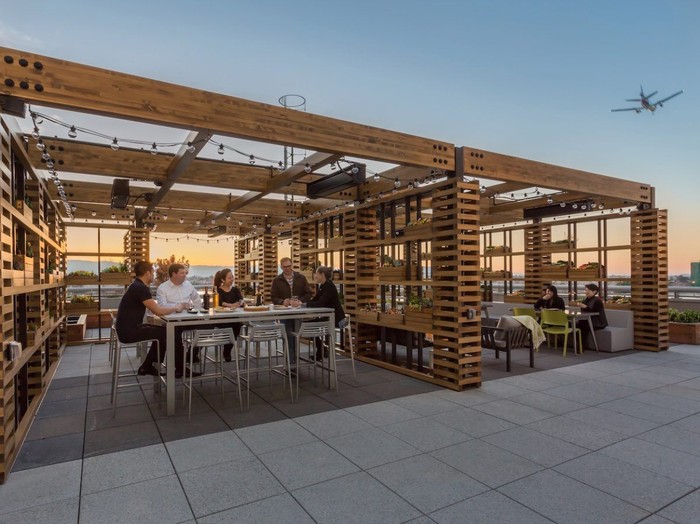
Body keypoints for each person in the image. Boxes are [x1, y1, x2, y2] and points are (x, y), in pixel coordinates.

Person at [115, 261, 187, 377]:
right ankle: (176, 368)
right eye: (152, 272)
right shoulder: (141, 288)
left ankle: (149, 366)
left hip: (125, 329)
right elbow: (158, 311)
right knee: (168, 333)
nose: (153, 275)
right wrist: (176, 308)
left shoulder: (136, 286)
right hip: (129, 332)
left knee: (165, 332)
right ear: (148, 273)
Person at [157, 263, 202, 374]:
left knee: (208, 325)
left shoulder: (188, 285)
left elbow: (197, 300)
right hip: (172, 321)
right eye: (182, 273)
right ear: (174, 274)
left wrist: (195, 309)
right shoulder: (162, 288)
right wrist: (178, 306)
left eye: (185, 272)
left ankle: (191, 354)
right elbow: (161, 306)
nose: (185, 275)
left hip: (189, 318)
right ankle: (180, 368)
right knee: (173, 333)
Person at [271, 257, 313, 363]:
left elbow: (308, 294)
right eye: (284, 267)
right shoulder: (277, 280)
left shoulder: (301, 278)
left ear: (292, 265)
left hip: (298, 313)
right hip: (284, 314)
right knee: (288, 337)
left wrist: (300, 301)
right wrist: (282, 301)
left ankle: (293, 362)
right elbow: (273, 297)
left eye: (289, 266)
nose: (287, 269)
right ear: (281, 267)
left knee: (296, 337)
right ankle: (290, 364)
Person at [304, 265, 346, 361]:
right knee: (307, 325)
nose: (315, 276)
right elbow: (316, 299)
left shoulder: (329, 286)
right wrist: (302, 303)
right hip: (329, 317)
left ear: (322, 275)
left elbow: (320, 303)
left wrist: (305, 304)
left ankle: (321, 349)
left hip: (337, 319)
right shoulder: (323, 286)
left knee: (307, 326)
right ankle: (321, 349)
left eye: (316, 274)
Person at [214, 268, 243, 361]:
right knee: (230, 326)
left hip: (234, 317)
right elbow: (220, 303)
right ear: (223, 280)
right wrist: (230, 305)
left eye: (232, 277)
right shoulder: (218, 291)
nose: (232, 279)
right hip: (222, 318)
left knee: (237, 325)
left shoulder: (235, 290)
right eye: (229, 278)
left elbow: (240, 299)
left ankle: (227, 349)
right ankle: (227, 349)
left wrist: (240, 303)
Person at [575, 283, 608, 350]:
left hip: (598, 322)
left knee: (582, 326)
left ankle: (582, 346)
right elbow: (583, 313)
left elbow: (595, 312)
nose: (586, 292)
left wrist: (585, 307)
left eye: (588, 290)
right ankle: (580, 344)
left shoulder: (597, 301)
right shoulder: (585, 300)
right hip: (587, 320)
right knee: (574, 325)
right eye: (585, 290)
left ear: (594, 291)